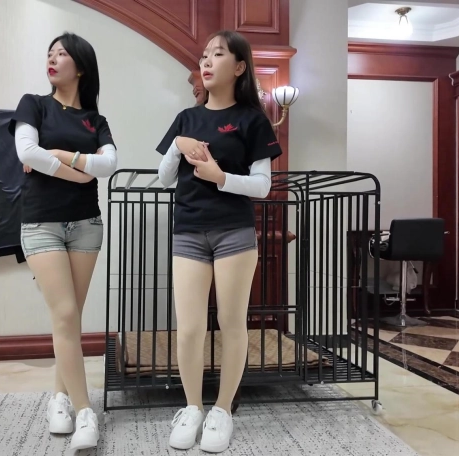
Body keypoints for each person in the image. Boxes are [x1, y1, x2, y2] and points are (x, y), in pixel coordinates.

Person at [155, 30, 282, 453]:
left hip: (234, 233)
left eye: (218, 54)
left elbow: (263, 186)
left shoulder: (253, 119)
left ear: (239, 67)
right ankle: (192, 407)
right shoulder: (186, 118)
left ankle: (222, 410)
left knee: (231, 323)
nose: (207, 62)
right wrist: (177, 145)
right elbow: (165, 178)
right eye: (204, 55)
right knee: (190, 328)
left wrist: (220, 177)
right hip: (189, 231)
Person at [8, 31, 117, 451]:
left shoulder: (95, 120)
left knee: (67, 320)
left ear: (81, 67)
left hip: (86, 224)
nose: (52, 59)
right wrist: (80, 172)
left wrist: (60, 156)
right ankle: (85, 411)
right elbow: (27, 153)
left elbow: (109, 164)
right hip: (42, 224)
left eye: (62, 54)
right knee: (67, 314)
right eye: (49, 53)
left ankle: (59, 399)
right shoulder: (33, 105)